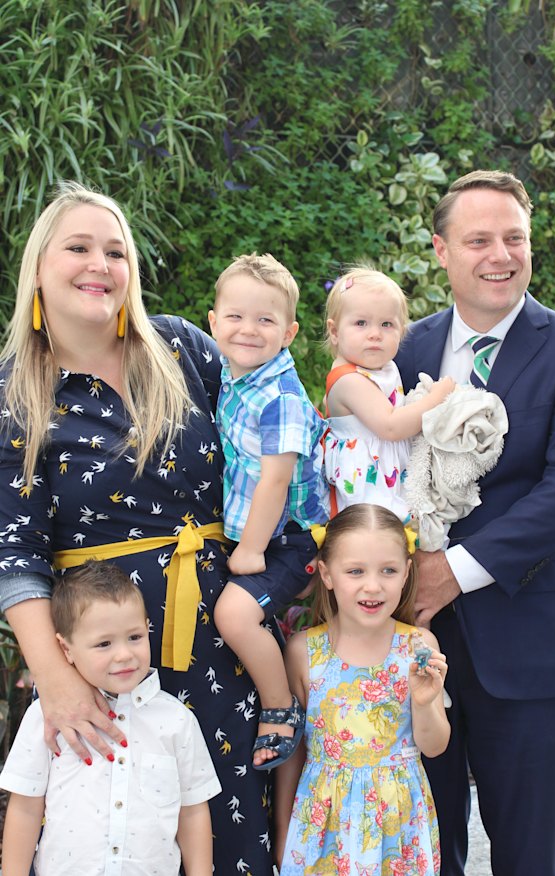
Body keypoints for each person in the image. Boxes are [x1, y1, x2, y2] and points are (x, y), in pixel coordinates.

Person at [0, 182, 275, 874]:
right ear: (39, 268)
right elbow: (15, 552)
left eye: (116, 251)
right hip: (102, 662)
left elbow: (270, 441)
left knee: (230, 834)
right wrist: (57, 679)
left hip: (223, 640)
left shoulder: (182, 348)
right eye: (79, 247)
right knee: (107, 840)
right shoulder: (16, 393)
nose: (101, 263)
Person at [394, 169, 555, 876]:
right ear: (441, 250)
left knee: (532, 859)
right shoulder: (403, 349)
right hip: (407, 643)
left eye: (515, 238)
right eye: (479, 240)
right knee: (419, 851)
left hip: (528, 639)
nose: (500, 255)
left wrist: (452, 573)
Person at [0, 559, 221, 875]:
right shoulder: (47, 717)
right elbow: (25, 806)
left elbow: (192, 810)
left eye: (134, 637)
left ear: (147, 628)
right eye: (104, 643)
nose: (124, 654)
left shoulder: (176, 720)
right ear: (66, 649)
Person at [274, 503, 450, 875]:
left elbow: (434, 747)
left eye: (388, 570)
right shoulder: (304, 651)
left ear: (406, 573)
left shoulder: (419, 646)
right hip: (323, 824)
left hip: (398, 828)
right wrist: (283, 828)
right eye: (355, 571)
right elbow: (295, 749)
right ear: (326, 574)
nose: (373, 585)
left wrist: (425, 700)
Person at [208, 253, 329, 769]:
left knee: (233, 615)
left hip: (287, 539)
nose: (248, 330)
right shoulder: (234, 379)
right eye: (235, 317)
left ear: (289, 332)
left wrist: (251, 549)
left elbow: (275, 482)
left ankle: (281, 708)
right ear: (213, 323)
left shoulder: (280, 397)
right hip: (252, 532)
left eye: (265, 320)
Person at [323, 267, 455, 518]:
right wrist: (437, 397)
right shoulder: (349, 380)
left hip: (388, 475)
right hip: (366, 490)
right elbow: (392, 426)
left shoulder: (383, 367)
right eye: (361, 323)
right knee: (376, 541)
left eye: (386, 324)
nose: (374, 334)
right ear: (335, 332)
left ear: (402, 331)